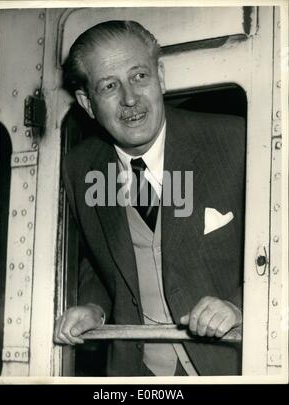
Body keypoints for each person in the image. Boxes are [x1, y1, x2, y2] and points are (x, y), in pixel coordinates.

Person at [53, 20, 245, 376]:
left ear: (159, 75)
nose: (129, 98)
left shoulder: (237, 141)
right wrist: (94, 306)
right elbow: (97, 260)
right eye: (109, 86)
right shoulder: (80, 167)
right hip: (134, 373)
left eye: (139, 76)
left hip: (230, 367)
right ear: (87, 103)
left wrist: (238, 306)